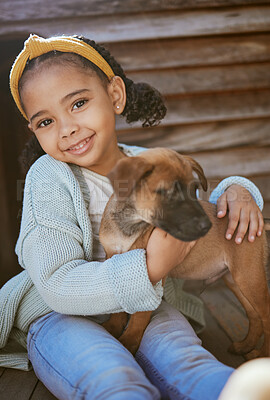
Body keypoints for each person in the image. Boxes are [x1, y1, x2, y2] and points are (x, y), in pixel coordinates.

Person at [0, 34, 265, 400]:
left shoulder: (148, 160)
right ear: (33, 130)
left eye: (78, 103)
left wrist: (237, 190)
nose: (67, 127)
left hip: (148, 307)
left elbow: (194, 204)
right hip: (57, 316)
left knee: (186, 362)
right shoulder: (48, 178)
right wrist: (150, 270)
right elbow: (56, 283)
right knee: (111, 376)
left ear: (115, 95)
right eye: (45, 122)